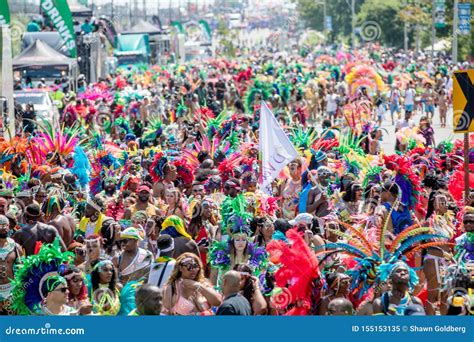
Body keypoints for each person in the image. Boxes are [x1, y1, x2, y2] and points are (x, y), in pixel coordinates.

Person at [0, 215, 21, 314]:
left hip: (11, 292)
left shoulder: (15, 247)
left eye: (5, 225)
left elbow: (21, 270)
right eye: (0, 225)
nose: (3, 228)